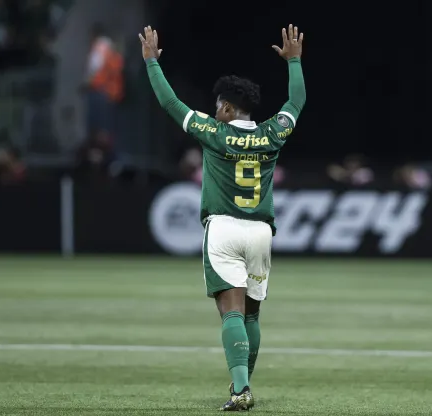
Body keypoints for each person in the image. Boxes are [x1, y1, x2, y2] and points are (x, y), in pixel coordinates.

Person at [139, 24, 305, 411]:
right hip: (261, 233)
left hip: (224, 230)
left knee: (230, 310)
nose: (215, 110)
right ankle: (242, 385)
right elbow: (295, 103)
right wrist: (294, 61)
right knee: (252, 313)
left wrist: (150, 63)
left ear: (228, 108)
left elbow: (170, 103)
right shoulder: (271, 134)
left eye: (218, 105)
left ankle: (240, 387)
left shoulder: (214, 132)